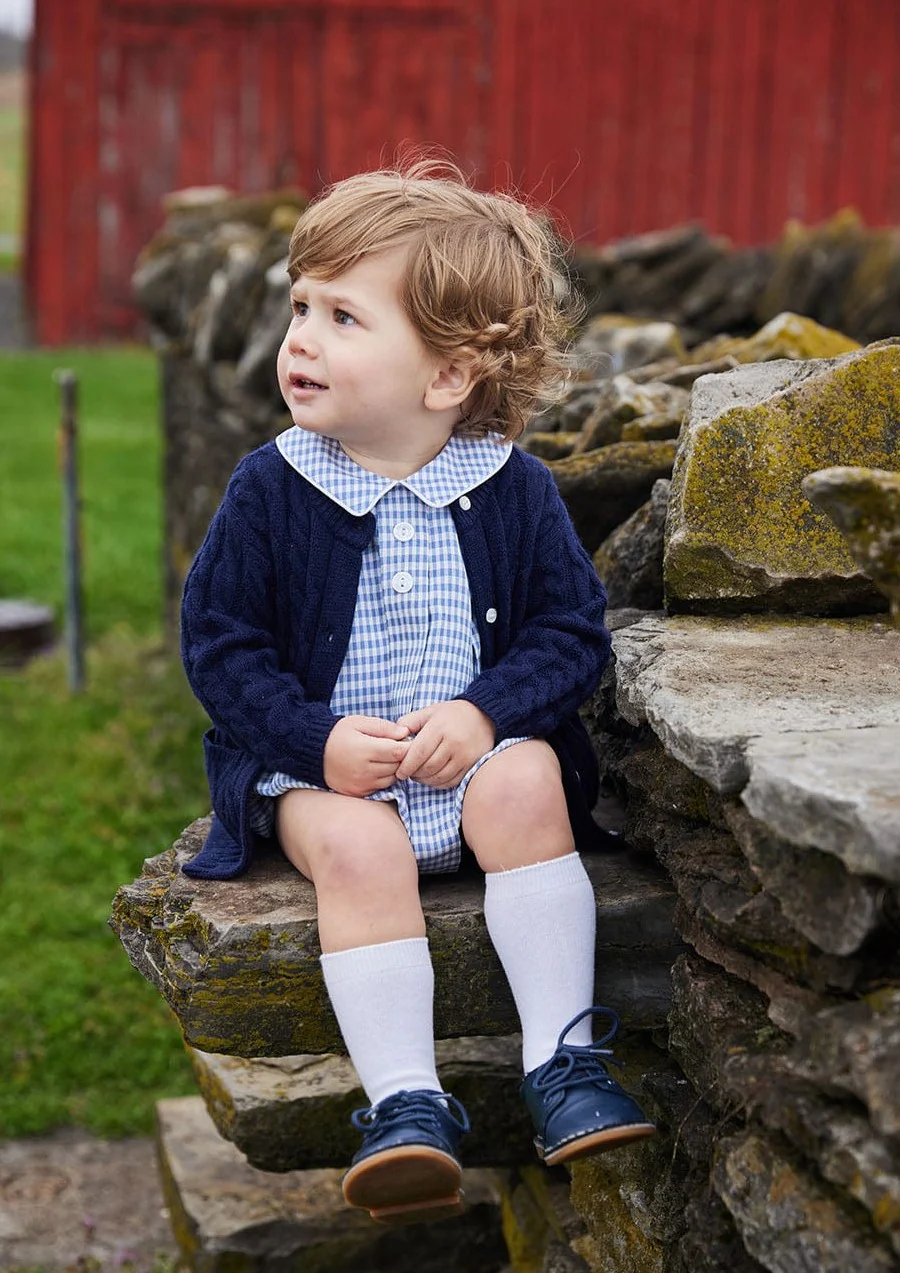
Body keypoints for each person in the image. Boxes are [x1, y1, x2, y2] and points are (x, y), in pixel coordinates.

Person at [180, 159, 655, 1226]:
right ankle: (405, 1101)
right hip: (329, 776)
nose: (299, 336)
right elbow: (221, 645)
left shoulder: (511, 488)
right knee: (360, 847)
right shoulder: (274, 485)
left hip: (470, 763)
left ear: (448, 376)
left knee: (529, 777)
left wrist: (487, 714)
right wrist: (314, 740)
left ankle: (565, 1064)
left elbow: (571, 632)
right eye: (300, 304)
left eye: (344, 316)